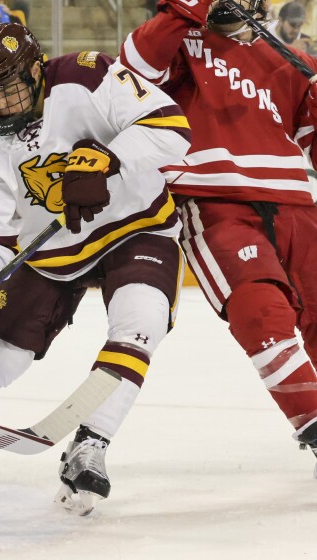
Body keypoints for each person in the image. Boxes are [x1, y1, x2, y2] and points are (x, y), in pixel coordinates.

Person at [0, 22, 191, 515]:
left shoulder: (87, 76)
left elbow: (171, 127)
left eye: (9, 88)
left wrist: (106, 159)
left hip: (136, 226)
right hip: (54, 251)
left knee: (141, 321)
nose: (0, 103)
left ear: (35, 70)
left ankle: (91, 443)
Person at [120, 0, 317, 474]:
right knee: (259, 313)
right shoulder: (178, 41)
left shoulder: (291, 60)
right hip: (213, 199)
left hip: (295, 202)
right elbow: (133, 68)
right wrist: (188, 9)